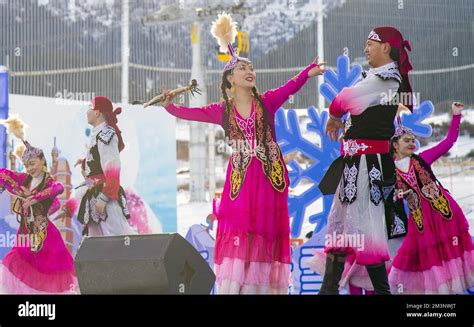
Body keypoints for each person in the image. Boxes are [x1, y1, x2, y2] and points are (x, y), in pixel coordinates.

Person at [161, 13, 326, 294]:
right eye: (243, 69)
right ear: (229, 81)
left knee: (264, 230)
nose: (250, 71)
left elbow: (290, 87)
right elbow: (193, 113)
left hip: (267, 179)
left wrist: (306, 74)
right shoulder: (221, 111)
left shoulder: (267, 101)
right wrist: (171, 107)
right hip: (239, 181)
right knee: (239, 231)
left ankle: (260, 288)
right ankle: (235, 287)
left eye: (251, 67)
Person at [315, 26, 414, 294]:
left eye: (370, 43)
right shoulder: (380, 79)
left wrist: (335, 116)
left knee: (365, 231)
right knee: (341, 228)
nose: (365, 49)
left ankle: (378, 291)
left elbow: (345, 99)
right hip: (356, 164)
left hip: (367, 166)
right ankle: (329, 289)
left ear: (385, 48)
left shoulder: (386, 81)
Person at [388, 102, 474, 294]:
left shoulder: (423, 158)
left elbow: (449, 142)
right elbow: (390, 194)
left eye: (413, 139)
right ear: (395, 145)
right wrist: (399, 195)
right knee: (420, 259)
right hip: (420, 221)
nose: (412, 143)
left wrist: (456, 116)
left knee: (449, 255)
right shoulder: (389, 171)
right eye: (406, 140)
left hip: (443, 215)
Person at [0, 116, 78, 294]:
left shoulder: (48, 182)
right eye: (26, 165)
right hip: (25, 234)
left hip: (46, 236)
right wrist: (10, 186)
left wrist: (34, 198)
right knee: (14, 264)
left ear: (43, 161)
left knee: (52, 274)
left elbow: (57, 189)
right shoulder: (25, 179)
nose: (30, 168)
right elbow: (3, 174)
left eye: (33, 164)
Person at [61, 96, 135, 236]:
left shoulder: (106, 135)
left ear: (97, 112)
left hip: (105, 198)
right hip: (94, 197)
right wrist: (84, 162)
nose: (87, 112)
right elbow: (95, 171)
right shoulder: (98, 135)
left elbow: (112, 168)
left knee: (119, 240)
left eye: (90, 107)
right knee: (96, 245)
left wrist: (104, 197)